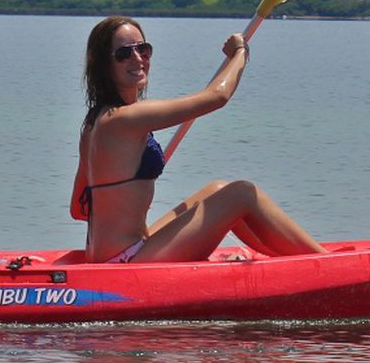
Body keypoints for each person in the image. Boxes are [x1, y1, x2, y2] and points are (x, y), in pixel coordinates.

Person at [70, 15, 327, 263]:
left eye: (144, 49)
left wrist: (123, 195)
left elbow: (79, 209)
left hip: (112, 254)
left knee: (217, 191)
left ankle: (287, 261)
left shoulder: (93, 125)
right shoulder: (126, 118)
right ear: (103, 64)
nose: (138, 59)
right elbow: (217, 97)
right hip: (126, 261)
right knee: (241, 194)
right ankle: (324, 264)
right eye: (124, 53)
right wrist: (239, 53)